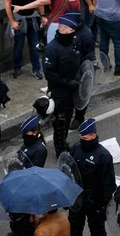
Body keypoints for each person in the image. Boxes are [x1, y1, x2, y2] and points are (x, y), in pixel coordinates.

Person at [67, 119, 116, 236]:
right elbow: (69, 172)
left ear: (94, 134)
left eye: (85, 136)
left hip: (95, 202)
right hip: (77, 200)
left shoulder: (103, 156)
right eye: (81, 136)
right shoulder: (76, 149)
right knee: (73, 231)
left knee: (97, 234)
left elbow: (109, 184)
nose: (82, 138)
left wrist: (104, 206)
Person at [4, 116, 47, 236]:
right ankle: (17, 232)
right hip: (19, 181)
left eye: (26, 133)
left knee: (27, 212)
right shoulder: (28, 144)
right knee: (14, 210)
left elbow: (35, 170)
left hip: (29, 184)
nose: (24, 137)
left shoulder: (40, 149)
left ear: (34, 132)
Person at [42, 16, 82, 157]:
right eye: (71, 30)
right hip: (59, 91)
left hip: (73, 89)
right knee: (60, 120)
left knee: (68, 116)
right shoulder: (52, 49)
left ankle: (63, 141)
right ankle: (60, 148)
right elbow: (50, 74)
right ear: (63, 30)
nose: (74, 33)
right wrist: (66, 82)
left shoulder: (73, 43)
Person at [62, 9, 97, 130]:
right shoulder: (70, 29)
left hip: (81, 70)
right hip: (69, 68)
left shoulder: (86, 35)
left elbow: (90, 57)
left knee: (81, 94)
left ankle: (79, 117)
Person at [5, 0, 42, 80]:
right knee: (18, 47)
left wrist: (42, 15)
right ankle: (17, 68)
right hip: (19, 19)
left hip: (32, 18)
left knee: (34, 46)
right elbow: (7, 5)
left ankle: (36, 69)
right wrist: (12, 21)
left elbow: (40, 2)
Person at [95, 0, 120, 76]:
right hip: (113, 17)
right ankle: (119, 68)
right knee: (119, 43)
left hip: (99, 14)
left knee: (104, 40)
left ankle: (105, 64)